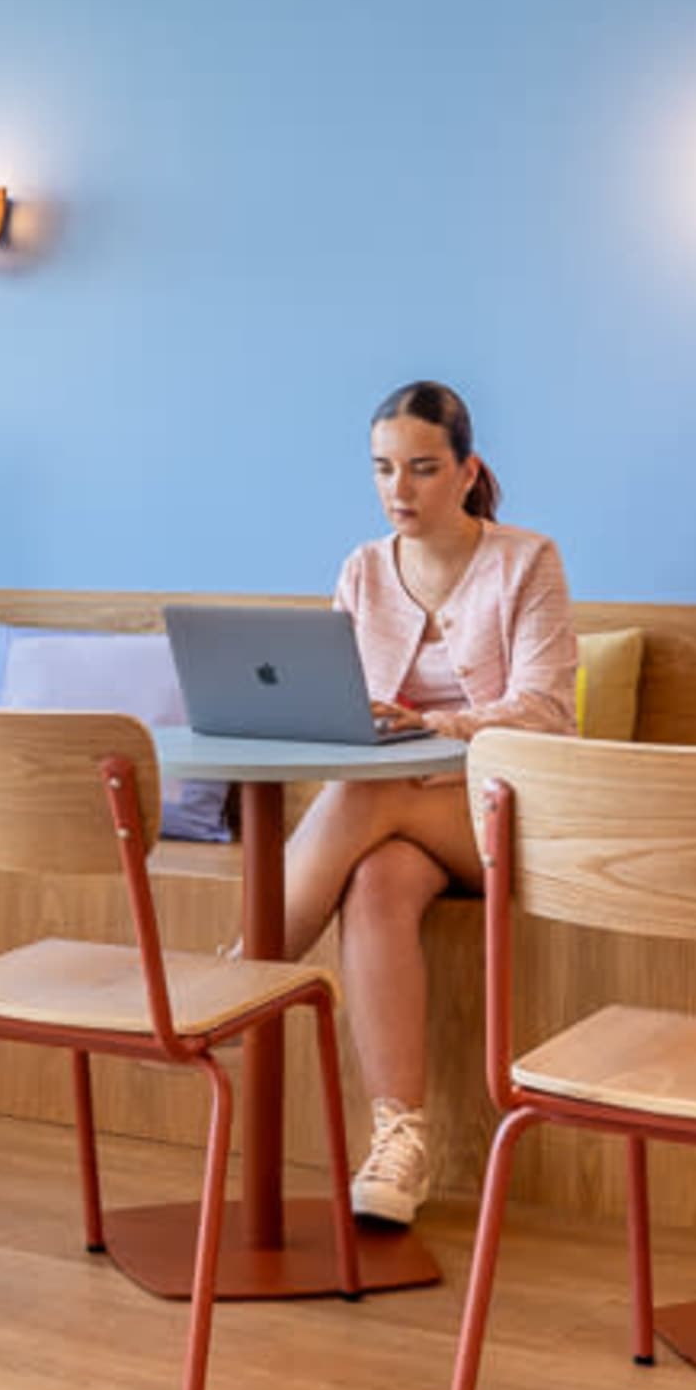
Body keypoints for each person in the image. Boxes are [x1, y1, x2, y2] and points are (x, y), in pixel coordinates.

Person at [276, 380, 579, 1227]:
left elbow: (549, 711)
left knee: (366, 798)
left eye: (421, 469)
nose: (398, 491)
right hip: (400, 816)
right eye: (382, 470)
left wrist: (429, 725)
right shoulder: (362, 572)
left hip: (509, 811)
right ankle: (398, 1144)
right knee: (374, 881)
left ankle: (247, 970)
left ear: (465, 469)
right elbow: (338, 704)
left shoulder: (528, 561)